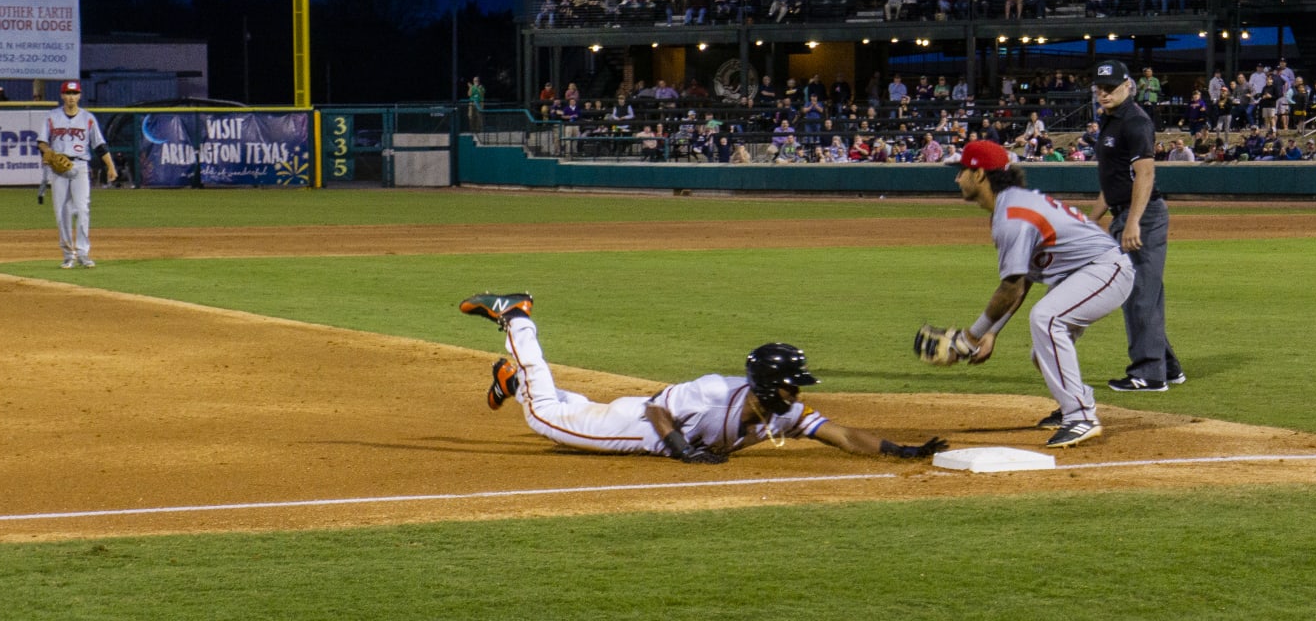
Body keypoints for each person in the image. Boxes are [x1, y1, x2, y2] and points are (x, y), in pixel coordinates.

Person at [457, 293, 948, 463]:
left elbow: (842, 434)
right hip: (638, 428)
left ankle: (514, 380)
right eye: (790, 385)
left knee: (562, 409)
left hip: (646, 427)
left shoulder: (786, 414)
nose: (797, 394)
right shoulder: (715, 390)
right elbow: (656, 407)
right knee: (546, 419)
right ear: (764, 385)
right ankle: (517, 317)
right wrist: (681, 449)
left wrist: (899, 450)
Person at [947, 141, 1133, 448]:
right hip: (1084, 273)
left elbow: (1010, 286)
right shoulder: (1010, 205)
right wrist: (992, 332)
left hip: (1105, 269)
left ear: (979, 174)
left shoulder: (1012, 215)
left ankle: (1081, 417)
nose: (957, 178)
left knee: (1047, 319)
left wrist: (970, 337)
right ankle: (1076, 403)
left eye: (962, 171)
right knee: (1043, 352)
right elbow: (1021, 282)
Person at [1087, 61, 1185, 391]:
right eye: (1099, 88)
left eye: (1110, 87)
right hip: (1124, 211)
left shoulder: (1135, 121)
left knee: (1139, 293)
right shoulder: (1111, 120)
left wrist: (1132, 223)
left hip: (1142, 215)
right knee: (1144, 293)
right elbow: (1114, 181)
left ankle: (1148, 374)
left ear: (1128, 85)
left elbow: (1145, 175)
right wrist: (1090, 221)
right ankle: (1167, 366)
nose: (1103, 93)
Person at [37, 80, 117, 269]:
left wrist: (111, 167)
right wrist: (47, 151)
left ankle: (83, 253)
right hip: (59, 169)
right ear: (62, 96)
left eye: (74, 93)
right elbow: (41, 142)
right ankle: (67, 255)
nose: (71, 97)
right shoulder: (52, 117)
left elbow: (99, 145)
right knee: (62, 213)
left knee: (82, 209)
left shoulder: (88, 118)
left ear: (79, 95)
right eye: (68, 93)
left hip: (80, 166)